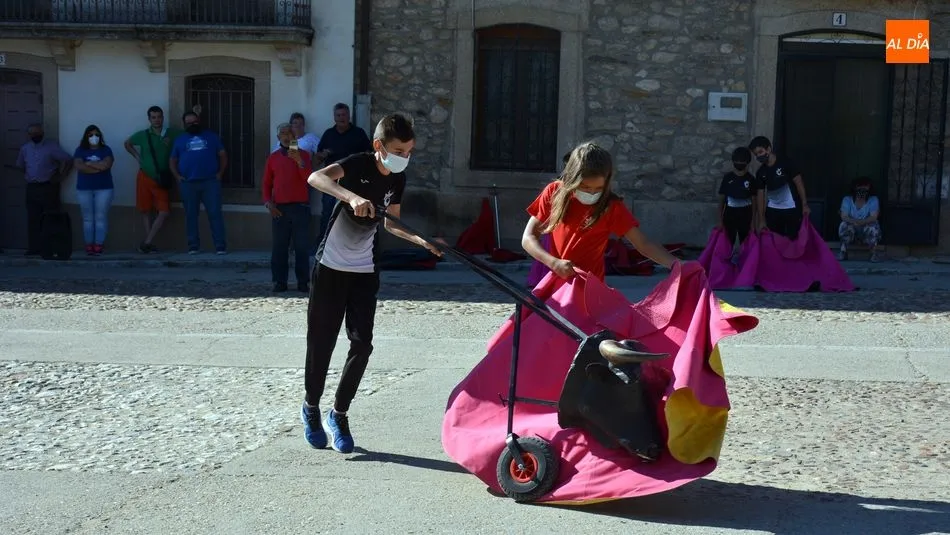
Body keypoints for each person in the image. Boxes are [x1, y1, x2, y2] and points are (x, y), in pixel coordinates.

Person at [300, 113, 440, 454]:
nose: (404, 157)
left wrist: (423, 241)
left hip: (364, 270)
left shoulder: (397, 180)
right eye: (398, 150)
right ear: (379, 147)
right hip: (331, 266)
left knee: (362, 344)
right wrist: (349, 197)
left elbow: (393, 224)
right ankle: (311, 407)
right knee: (322, 341)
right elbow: (316, 177)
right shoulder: (358, 163)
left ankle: (339, 413)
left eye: (409, 151)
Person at [521, 142, 679, 282]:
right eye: (585, 187)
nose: (591, 193)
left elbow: (643, 243)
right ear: (571, 179)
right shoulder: (554, 192)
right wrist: (553, 262)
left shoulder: (611, 206)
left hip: (590, 288)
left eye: (598, 189)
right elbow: (528, 238)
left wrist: (676, 264)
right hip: (554, 285)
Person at [263, 123, 313, 293]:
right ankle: (279, 281)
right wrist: (268, 202)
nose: (286, 136)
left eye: (289, 133)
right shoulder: (273, 158)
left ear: (294, 137)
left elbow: (309, 179)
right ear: (278, 138)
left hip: (300, 207)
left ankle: (303, 282)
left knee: (301, 247)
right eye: (283, 133)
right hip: (280, 209)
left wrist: (299, 161)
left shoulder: (305, 155)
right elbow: (266, 184)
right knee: (279, 247)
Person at [124, 106, 182, 254]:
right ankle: (149, 243)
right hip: (144, 176)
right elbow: (127, 143)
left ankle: (147, 241)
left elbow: (187, 135)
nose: (157, 120)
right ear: (149, 119)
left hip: (160, 178)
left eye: (159, 117)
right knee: (145, 210)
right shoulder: (143, 135)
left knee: (163, 211)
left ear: (163, 118)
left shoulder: (171, 133)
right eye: (154, 117)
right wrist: (137, 157)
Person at [170, 112, 229, 255]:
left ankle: (220, 246)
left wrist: (220, 173)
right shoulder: (180, 139)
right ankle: (193, 246)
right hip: (188, 183)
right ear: (185, 124)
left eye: (194, 122)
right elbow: (172, 160)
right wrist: (177, 176)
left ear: (199, 121)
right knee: (190, 215)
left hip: (210, 182)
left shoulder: (211, 136)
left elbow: (223, 155)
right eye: (188, 123)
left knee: (215, 213)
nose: (192, 125)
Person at [314, 103, 373, 237]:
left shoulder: (359, 133)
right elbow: (317, 159)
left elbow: (370, 157)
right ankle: (322, 248)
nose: (341, 118)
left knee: (352, 216)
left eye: (344, 114)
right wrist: (322, 155)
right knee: (328, 215)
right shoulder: (328, 134)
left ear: (349, 115)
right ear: (334, 117)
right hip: (331, 184)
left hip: (354, 184)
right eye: (338, 115)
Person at [14, 123, 72, 256]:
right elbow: (21, 165)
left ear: (42, 133)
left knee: (50, 218)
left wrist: (62, 176)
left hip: (48, 187)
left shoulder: (51, 146)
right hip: (32, 188)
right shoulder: (25, 149)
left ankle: (50, 247)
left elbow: (68, 159)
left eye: (38, 133)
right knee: (33, 219)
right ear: (29, 135)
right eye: (32, 134)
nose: (35, 136)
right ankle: (34, 248)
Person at [748, 136, 810, 239]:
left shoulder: (786, 163)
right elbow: (760, 196)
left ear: (768, 149)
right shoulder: (760, 172)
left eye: (760, 152)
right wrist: (761, 220)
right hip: (773, 211)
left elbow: (799, 183)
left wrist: (804, 204)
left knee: (793, 240)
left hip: (792, 209)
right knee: (774, 241)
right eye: (756, 155)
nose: (758, 156)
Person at [73, 124, 115, 256]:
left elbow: (107, 165)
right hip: (84, 189)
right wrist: (98, 167)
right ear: (86, 137)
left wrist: (89, 164)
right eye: (91, 135)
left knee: (101, 217)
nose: (94, 137)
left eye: (96, 135)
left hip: (104, 188)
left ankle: (98, 244)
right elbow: (79, 166)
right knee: (87, 218)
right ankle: (89, 244)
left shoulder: (106, 150)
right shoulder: (80, 150)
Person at [716, 146, 756, 259]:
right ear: (733, 162)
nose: (739, 163)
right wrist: (719, 220)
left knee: (746, 245)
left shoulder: (751, 179)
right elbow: (721, 200)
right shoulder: (727, 178)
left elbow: (754, 202)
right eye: (737, 161)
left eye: (742, 161)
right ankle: (726, 267)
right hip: (730, 215)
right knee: (727, 244)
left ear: (747, 162)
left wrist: (753, 221)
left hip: (746, 215)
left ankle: (744, 267)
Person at [838, 176, 882, 262]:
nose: (863, 189)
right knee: (843, 225)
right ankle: (843, 251)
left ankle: (873, 253)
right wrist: (855, 222)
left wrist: (861, 222)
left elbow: (873, 217)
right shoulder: (847, 200)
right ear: (855, 188)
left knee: (874, 227)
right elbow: (844, 216)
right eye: (860, 186)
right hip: (852, 229)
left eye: (865, 186)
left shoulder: (873, 200)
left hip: (866, 229)